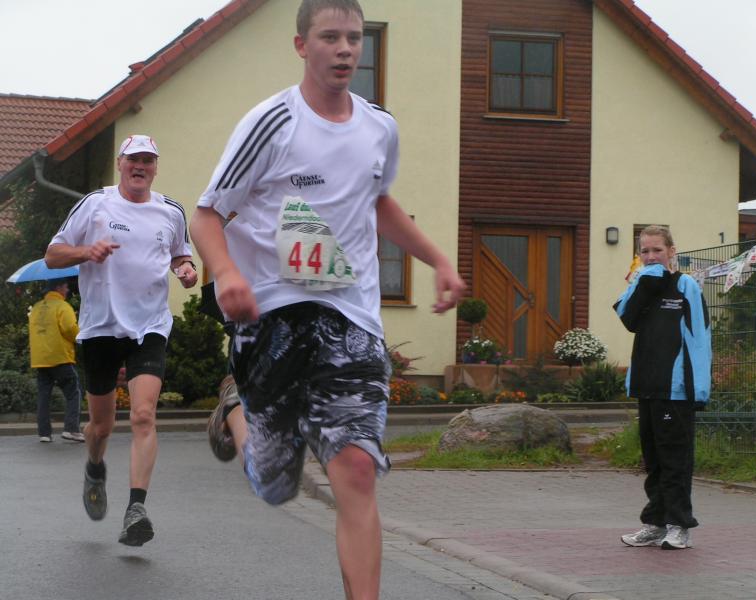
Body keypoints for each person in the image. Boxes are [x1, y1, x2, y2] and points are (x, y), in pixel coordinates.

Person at [190, 1, 465, 597]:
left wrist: (439, 260)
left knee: (357, 470)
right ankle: (235, 405)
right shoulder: (271, 123)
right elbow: (207, 214)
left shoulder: (379, 127)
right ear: (301, 46)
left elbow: (378, 201)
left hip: (352, 317)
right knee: (273, 481)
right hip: (272, 313)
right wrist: (226, 272)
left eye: (354, 38)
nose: (345, 49)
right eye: (330, 37)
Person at [44, 134, 198, 546]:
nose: (140, 166)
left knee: (144, 415)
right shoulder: (95, 204)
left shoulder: (170, 211)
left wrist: (185, 269)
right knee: (101, 426)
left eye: (148, 160)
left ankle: (136, 509)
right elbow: (52, 255)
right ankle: (95, 467)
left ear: (155, 167)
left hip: (150, 327)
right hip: (101, 328)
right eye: (134, 159)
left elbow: (180, 253)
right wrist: (86, 252)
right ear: (120, 163)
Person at [613, 225, 711, 550]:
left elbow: (699, 338)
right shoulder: (641, 285)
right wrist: (644, 282)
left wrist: (699, 388)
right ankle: (655, 524)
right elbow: (627, 319)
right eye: (645, 251)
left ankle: (679, 525)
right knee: (653, 461)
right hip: (647, 386)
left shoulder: (686, 286)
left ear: (671, 251)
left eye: (657, 250)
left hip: (677, 390)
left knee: (675, 461)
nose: (651, 256)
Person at [28, 277, 84, 443]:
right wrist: (80, 337)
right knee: (73, 392)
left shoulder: (36, 308)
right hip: (60, 357)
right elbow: (69, 328)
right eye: (66, 287)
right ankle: (71, 429)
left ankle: (44, 433)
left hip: (40, 359)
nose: (67, 290)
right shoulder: (62, 306)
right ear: (59, 287)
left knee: (43, 396)